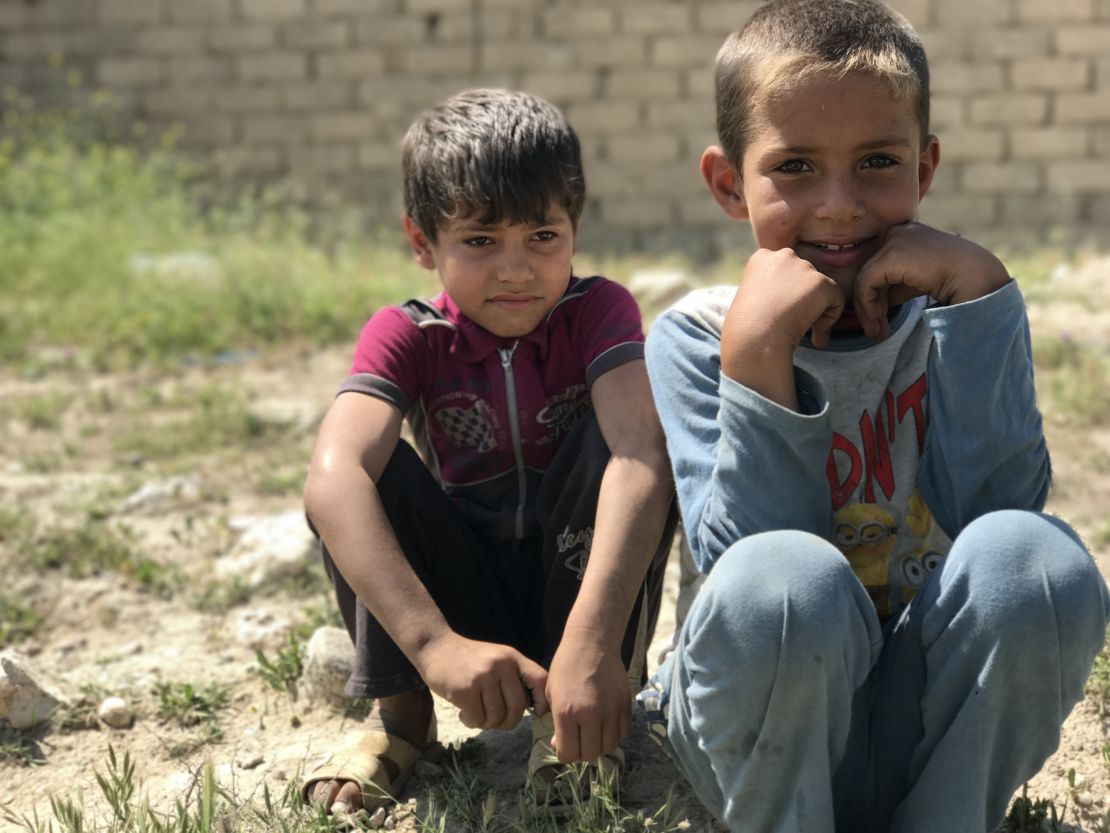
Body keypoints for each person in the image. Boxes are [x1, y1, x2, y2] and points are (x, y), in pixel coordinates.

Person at [634, 2, 1110, 832]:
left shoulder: (952, 313)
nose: (840, 206)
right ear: (726, 184)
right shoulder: (700, 338)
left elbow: (995, 522)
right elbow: (745, 563)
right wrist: (757, 360)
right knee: (786, 583)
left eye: (877, 162)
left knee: (1038, 560)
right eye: (795, 168)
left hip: (926, 723)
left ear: (925, 170)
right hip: (763, 731)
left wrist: (984, 299)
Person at [301, 88, 676, 817]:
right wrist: (436, 644)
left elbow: (641, 449)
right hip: (461, 605)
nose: (516, 269)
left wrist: (593, 641)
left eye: (543, 235)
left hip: (576, 589)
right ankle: (403, 725)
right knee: (369, 478)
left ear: (575, 228)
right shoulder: (408, 334)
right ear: (422, 242)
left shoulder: (596, 311)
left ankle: (580, 722)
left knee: (622, 440)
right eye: (480, 241)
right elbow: (331, 477)